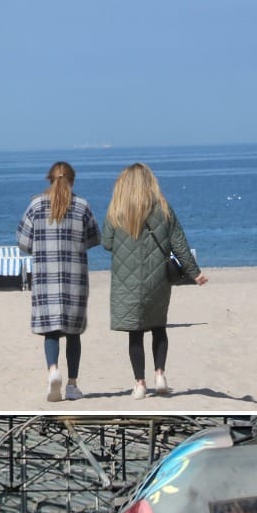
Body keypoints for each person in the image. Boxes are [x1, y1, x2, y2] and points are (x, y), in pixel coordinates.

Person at [101, 163, 206, 398]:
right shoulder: (163, 208)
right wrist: (195, 273)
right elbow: (179, 244)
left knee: (135, 331)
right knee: (158, 326)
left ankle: (140, 384)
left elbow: (107, 243)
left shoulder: (116, 210)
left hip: (126, 280)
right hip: (157, 277)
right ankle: (160, 374)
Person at [17, 161, 100, 402]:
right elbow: (94, 238)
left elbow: (23, 241)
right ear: (72, 180)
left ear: (49, 179)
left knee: (50, 332)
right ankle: (72, 385)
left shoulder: (36, 205)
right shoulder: (82, 206)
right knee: (73, 333)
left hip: (46, 277)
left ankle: (53, 370)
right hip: (74, 277)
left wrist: (42, 246)